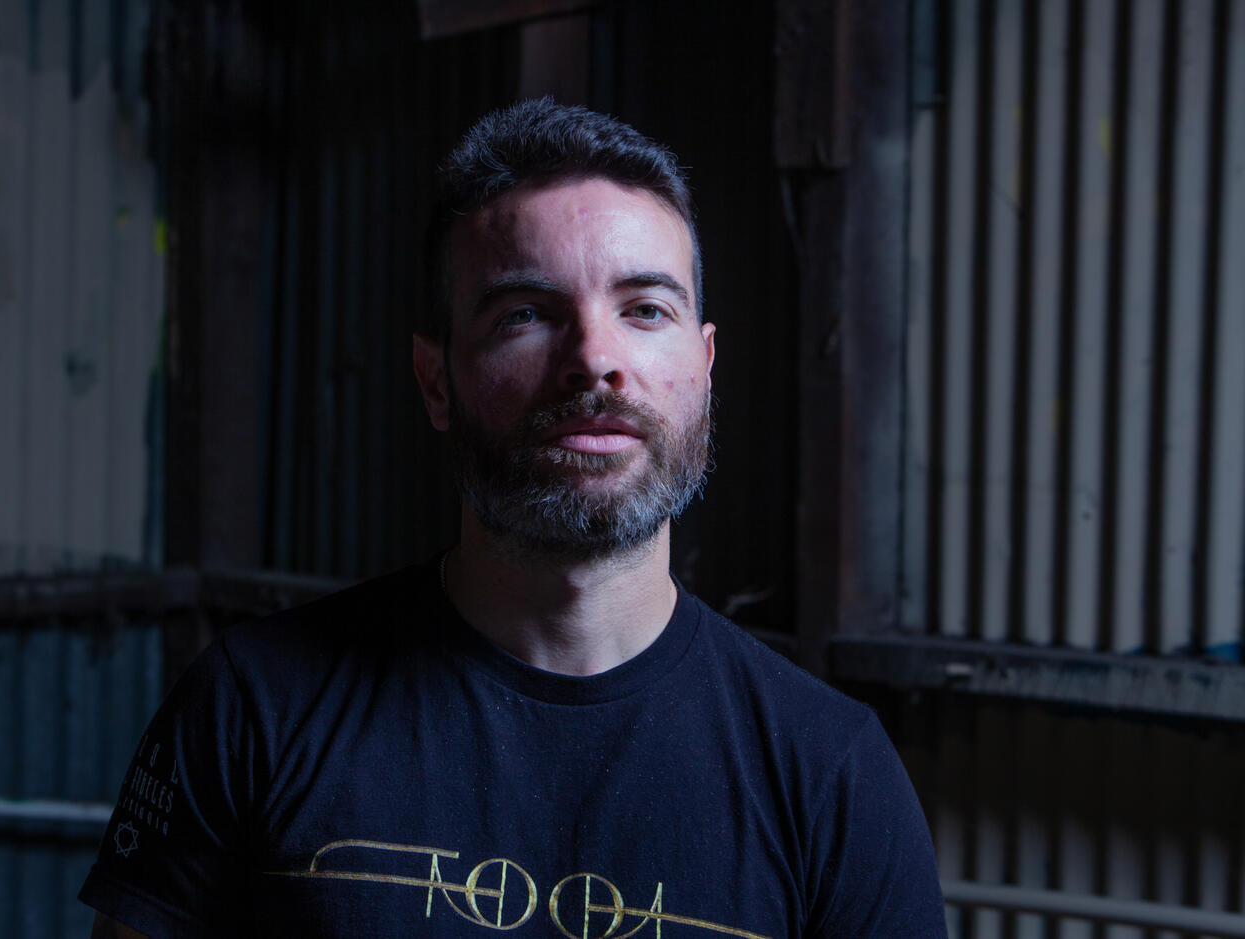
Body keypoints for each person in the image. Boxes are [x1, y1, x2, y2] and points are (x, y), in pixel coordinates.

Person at [80, 98, 947, 938]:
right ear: (436, 380)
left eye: (646, 309)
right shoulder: (254, 707)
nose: (595, 359)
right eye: (526, 314)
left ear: (705, 366)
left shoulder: (833, 774)